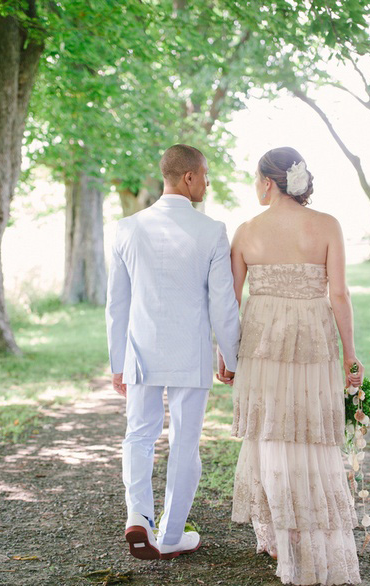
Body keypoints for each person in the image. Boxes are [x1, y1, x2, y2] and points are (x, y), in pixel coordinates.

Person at [222, 147, 363, 586]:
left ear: (268, 182)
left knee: (271, 432)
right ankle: (308, 541)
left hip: (263, 343)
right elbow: (338, 294)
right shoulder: (327, 226)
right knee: (309, 432)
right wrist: (350, 354)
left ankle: (284, 540)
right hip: (312, 340)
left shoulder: (246, 232)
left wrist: (226, 355)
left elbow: (230, 301)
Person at [106, 144, 240, 561]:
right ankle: (169, 535)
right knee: (185, 442)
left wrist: (117, 364)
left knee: (139, 435)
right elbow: (223, 302)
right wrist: (230, 356)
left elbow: (117, 305)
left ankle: (138, 516)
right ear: (188, 177)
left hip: (141, 352)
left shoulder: (127, 229)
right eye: (204, 175)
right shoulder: (212, 230)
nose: (207, 182)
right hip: (191, 353)